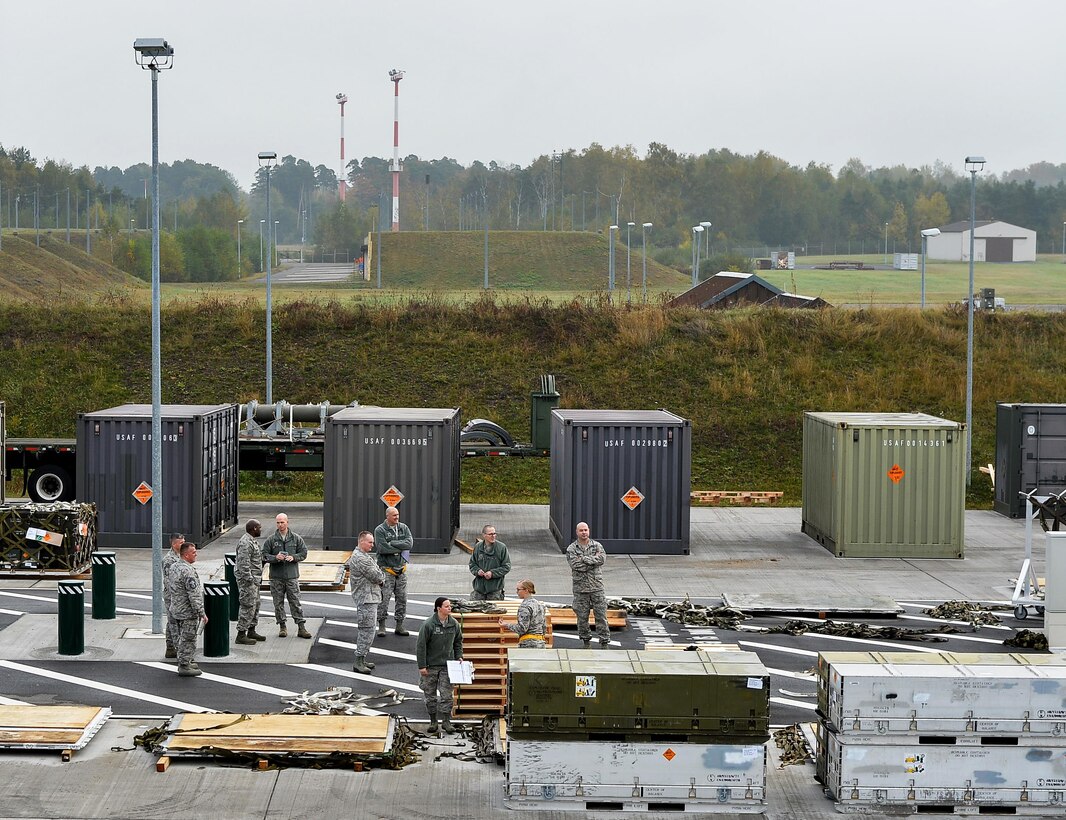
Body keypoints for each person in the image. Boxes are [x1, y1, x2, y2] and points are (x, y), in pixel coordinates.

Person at [416, 596, 464, 734]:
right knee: (429, 694)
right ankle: (433, 721)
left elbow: (458, 642)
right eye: (447, 606)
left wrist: (459, 656)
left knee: (447, 695)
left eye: (450, 606)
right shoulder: (428, 625)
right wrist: (422, 666)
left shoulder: (453, 624)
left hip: (447, 665)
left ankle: (446, 721)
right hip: (431, 666)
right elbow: (421, 646)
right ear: (439, 608)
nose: (450, 608)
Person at [263, 513, 311, 639]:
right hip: (276, 577)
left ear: (287, 522)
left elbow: (304, 553)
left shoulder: (296, 538)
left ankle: (301, 627)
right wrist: (275, 558)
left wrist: (293, 557)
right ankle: (282, 626)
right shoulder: (271, 540)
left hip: (291, 577)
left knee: (295, 602)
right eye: (278, 523)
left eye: (282, 522)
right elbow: (264, 555)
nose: (280, 525)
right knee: (278, 603)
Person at [565, 521, 610, 649]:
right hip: (581, 589)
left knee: (601, 616)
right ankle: (586, 641)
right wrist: (592, 561)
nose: (584, 532)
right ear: (577, 532)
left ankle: (604, 642)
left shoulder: (597, 546)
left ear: (589, 531)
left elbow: (602, 559)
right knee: (582, 617)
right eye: (581, 530)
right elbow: (575, 565)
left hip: (597, 587)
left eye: (586, 530)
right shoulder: (571, 549)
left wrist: (584, 559)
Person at [167, 541, 207, 677]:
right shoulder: (188, 571)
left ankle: (185, 660)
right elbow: (194, 595)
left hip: (175, 609)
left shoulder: (173, 567)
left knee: (179, 637)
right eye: (193, 552)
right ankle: (184, 665)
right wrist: (201, 613)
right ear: (186, 555)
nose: (196, 555)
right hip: (187, 611)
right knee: (188, 638)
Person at [347, 530, 385, 674]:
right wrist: (381, 578)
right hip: (365, 599)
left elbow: (377, 573)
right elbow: (377, 575)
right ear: (361, 541)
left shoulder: (364, 556)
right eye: (370, 542)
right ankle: (358, 660)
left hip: (370, 598)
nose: (372, 545)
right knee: (367, 631)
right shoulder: (360, 558)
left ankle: (362, 658)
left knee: (369, 630)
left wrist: (380, 576)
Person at [375, 506, 413, 637]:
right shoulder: (380, 530)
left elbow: (409, 544)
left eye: (397, 515)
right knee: (383, 599)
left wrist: (392, 544)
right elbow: (382, 548)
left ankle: (399, 625)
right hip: (386, 571)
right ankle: (381, 625)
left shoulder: (404, 528)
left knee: (402, 599)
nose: (397, 517)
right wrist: (399, 548)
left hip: (401, 571)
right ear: (387, 516)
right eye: (394, 515)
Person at [234, 519, 266, 646]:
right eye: (259, 527)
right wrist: (249, 580)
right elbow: (243, 565)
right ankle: (241, 634)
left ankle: (251, 630)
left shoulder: (252, 541)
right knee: (247, 606)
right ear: (254, 529)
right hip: (248, 582)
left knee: (255, 605)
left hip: (255, 580)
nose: (260, 529)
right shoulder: (245, 543)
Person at [499, 579, 548, 647]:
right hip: (541, 643)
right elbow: (544, 627)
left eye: (518, 589)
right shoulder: (540, 605)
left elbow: (522, 629)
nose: (517, 592)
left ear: (526, 590)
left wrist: (506, 625)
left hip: (528, 645)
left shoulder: (525, 607)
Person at [469, 524, 511, 601]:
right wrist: (478, 571)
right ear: (484, 535)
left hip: (494, 591)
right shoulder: (478, 547)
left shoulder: (501, 548)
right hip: (479, 590)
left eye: (494, 533)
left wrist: (492, 573)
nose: (493, 536)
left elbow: (506, 566)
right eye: (490, 534)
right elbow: (472, 564)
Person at [161, 532, 184, 659]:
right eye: (181, 543)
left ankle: (170, 648)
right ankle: (176, 648)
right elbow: (169, 581)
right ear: (174, 544)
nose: (183, 544)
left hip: (179, 595)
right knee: (174, 622)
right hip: (173, 595)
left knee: (172, 622)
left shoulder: (180, 556)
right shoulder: (169, 560)